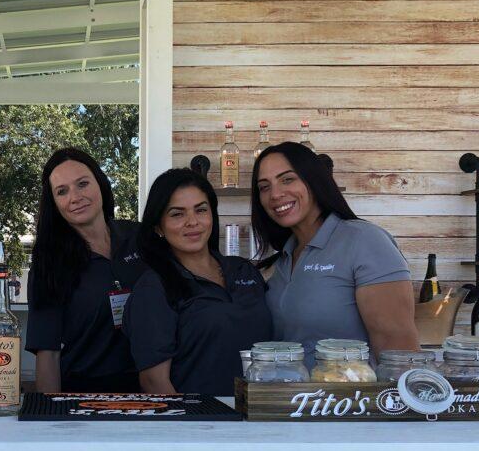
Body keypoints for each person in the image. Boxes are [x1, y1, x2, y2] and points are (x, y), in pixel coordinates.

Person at [252, 141, 418, 366]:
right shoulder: (284, 258)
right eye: (264, 187)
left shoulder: (364, 241)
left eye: (287, 179)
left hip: (351, 399)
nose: (275, 194)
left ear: (313, 180)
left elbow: (399, 351)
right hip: (291, 398)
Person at [123, 168, 272, 395]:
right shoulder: (154, 287)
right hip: (201, 423)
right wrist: (190, 426)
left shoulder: (243, 271)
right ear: (158, 227)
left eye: (201, 210)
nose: (192, 222)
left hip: (262, 417)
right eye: (177, 214)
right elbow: (154, 382)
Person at [26, 147, 146, 393]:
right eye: (62, 191)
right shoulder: (49, 263)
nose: (75, 197)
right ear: (54, 203)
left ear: (100, 183)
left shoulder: (140, 238)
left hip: (152, 392)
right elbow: (48, 355)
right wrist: (52, 421)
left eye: (82, 184)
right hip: (82, 399)